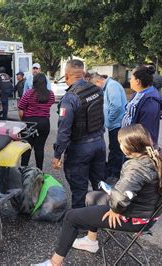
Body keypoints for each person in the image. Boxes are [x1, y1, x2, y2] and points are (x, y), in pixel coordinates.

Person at [35, 124, 162, 266]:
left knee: (71, 217)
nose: (120, 147)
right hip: (145, 210)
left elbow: (120, 197)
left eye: (121, 144)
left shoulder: (137, 167)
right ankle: (91, 241)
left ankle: (55, 262)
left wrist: (115, 209)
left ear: (129, 146)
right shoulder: (155, 155)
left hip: (134, 216)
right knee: (91, 197)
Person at [52, 59, 106, 209]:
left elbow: (64, 130)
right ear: (82, 74)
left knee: (79, 189)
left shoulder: (70, 98)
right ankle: (102, 215)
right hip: (99, 144)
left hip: (80, 148)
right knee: (100, 185)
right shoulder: (97, 90)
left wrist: (57, 155)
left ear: (66, 75)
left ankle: (81, 224)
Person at [91, 73, 128, 183]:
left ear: (99, 81)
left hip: (117, 124)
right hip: (114, 125)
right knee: (113, 149)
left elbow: (116, 106)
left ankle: (115, 174)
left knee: (116, 151)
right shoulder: (108, 86)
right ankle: (111, 172)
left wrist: (109, 120)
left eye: (95, 86)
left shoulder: (112, 86)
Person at [18, 73, 55, 170]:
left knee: (26, 147)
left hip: (29, 122)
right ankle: (39, 170)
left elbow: (21, 109)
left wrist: (23, 121)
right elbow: (49, 105)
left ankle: (23, 169)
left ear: (34, 82)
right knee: (39, 148)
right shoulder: (50, 94)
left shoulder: (29, 93)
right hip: (44, 123)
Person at [122, 65, 162, 145]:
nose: (130, 81)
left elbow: (145, 132)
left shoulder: (150, 102)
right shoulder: (138, 94)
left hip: (138, 147)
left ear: (137, 81)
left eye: (131, 78)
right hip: (129, 141)